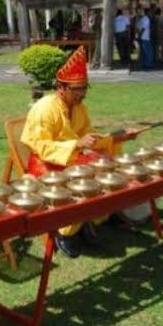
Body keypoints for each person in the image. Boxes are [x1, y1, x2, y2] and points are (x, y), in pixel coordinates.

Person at [20, 46, 139, 258]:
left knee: (106, 168)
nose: (82, 94)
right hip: (45, 164)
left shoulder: (80, 108)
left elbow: (89, 139)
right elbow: (40, 146)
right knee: (85, 179)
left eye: (84, 88)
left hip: (73, 159)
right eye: (76, 89)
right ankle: (66, 232)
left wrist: (115, 138)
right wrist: (76, 145)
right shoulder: (44, 108)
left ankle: (91, 220)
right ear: (61, 88)